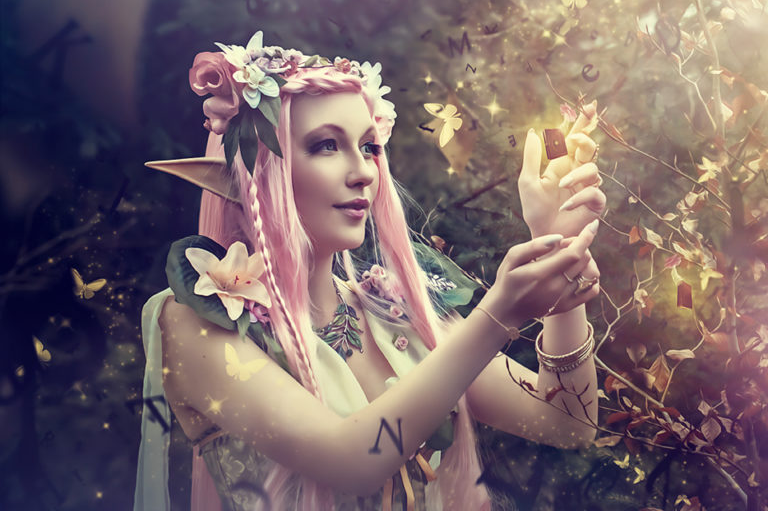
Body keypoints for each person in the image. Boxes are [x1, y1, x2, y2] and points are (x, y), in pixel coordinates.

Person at [134, 30, 606, 511]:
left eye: (369, 147)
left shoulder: (392, 309)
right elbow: (353, 463)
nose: (363, 171)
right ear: (256, 172)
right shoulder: (196, 322)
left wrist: (559, 249)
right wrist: (496, 317)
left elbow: (565, 422)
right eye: (325, 145)